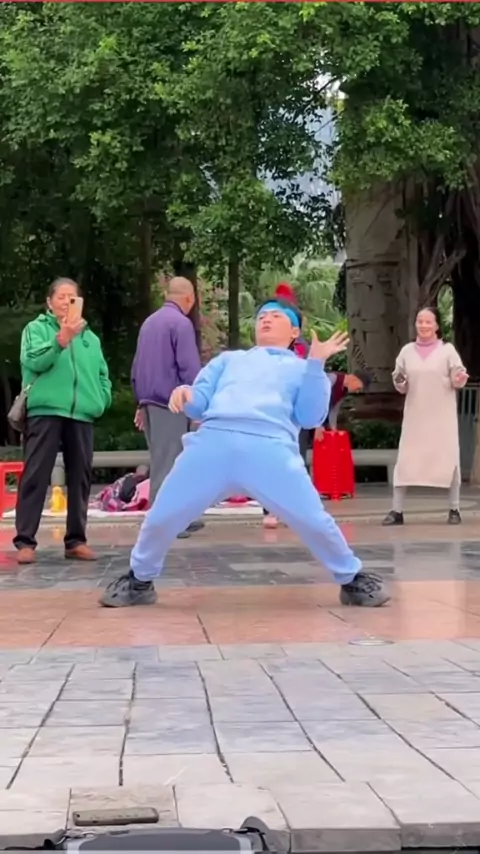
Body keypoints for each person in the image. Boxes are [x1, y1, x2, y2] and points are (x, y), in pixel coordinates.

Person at [100, 298, 389, 609]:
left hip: (271, 450)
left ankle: (352, 578)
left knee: (314, 520)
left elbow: (310, 417)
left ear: (294, 331)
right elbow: (199, 403)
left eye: (276, 316)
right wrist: (186, 394)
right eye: (262, 315)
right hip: (213, 443)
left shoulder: (303, 368)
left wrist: (316, 365)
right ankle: (139, 579)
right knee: (162, 515)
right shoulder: (229, 360)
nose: (266, 319)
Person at [14, 277, 112, 564]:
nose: (67, 302)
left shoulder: (90, 339)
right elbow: (33, 361)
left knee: (80, 477)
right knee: (36, 475)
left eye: (73, 297)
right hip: (45, 411)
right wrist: (61, 340)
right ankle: (25, 541)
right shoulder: (36, 329)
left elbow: (103, 375)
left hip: (82, 414)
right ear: (49, 302)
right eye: (61, 297)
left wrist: (101, 399)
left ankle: (76, 540)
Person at [382, 306, 468, 527]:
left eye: (428, 321)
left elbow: (457, 377)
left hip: (442, 418)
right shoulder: (407, 351)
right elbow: (400, 381)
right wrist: (400, 380)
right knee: (405, 462)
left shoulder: (448, 351)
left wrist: (459, 378)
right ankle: (396, 511)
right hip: (415, 417)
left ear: (437, 325)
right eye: (420, 321)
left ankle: (454, 509)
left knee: (449, 461)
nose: (423, 325)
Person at [131, 276, 203, 538]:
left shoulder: (149, 323)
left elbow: (137, 366)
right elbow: (189, 367)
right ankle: (163, 522)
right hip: (171, 402)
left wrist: (140, 402)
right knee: (169, 462)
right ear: (189, 298)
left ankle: (180, 516)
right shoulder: (180, 324)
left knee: (166, 459)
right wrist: (198, 403)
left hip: (149, 401)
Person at [263, 283, 312, 530]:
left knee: (293, 461)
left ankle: (292, 508)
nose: (270, 320)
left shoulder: (302, 349)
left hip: (293, 415)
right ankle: (272, 508)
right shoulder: (258, 354)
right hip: (269, 414)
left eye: (279, 314)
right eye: (267, 315)